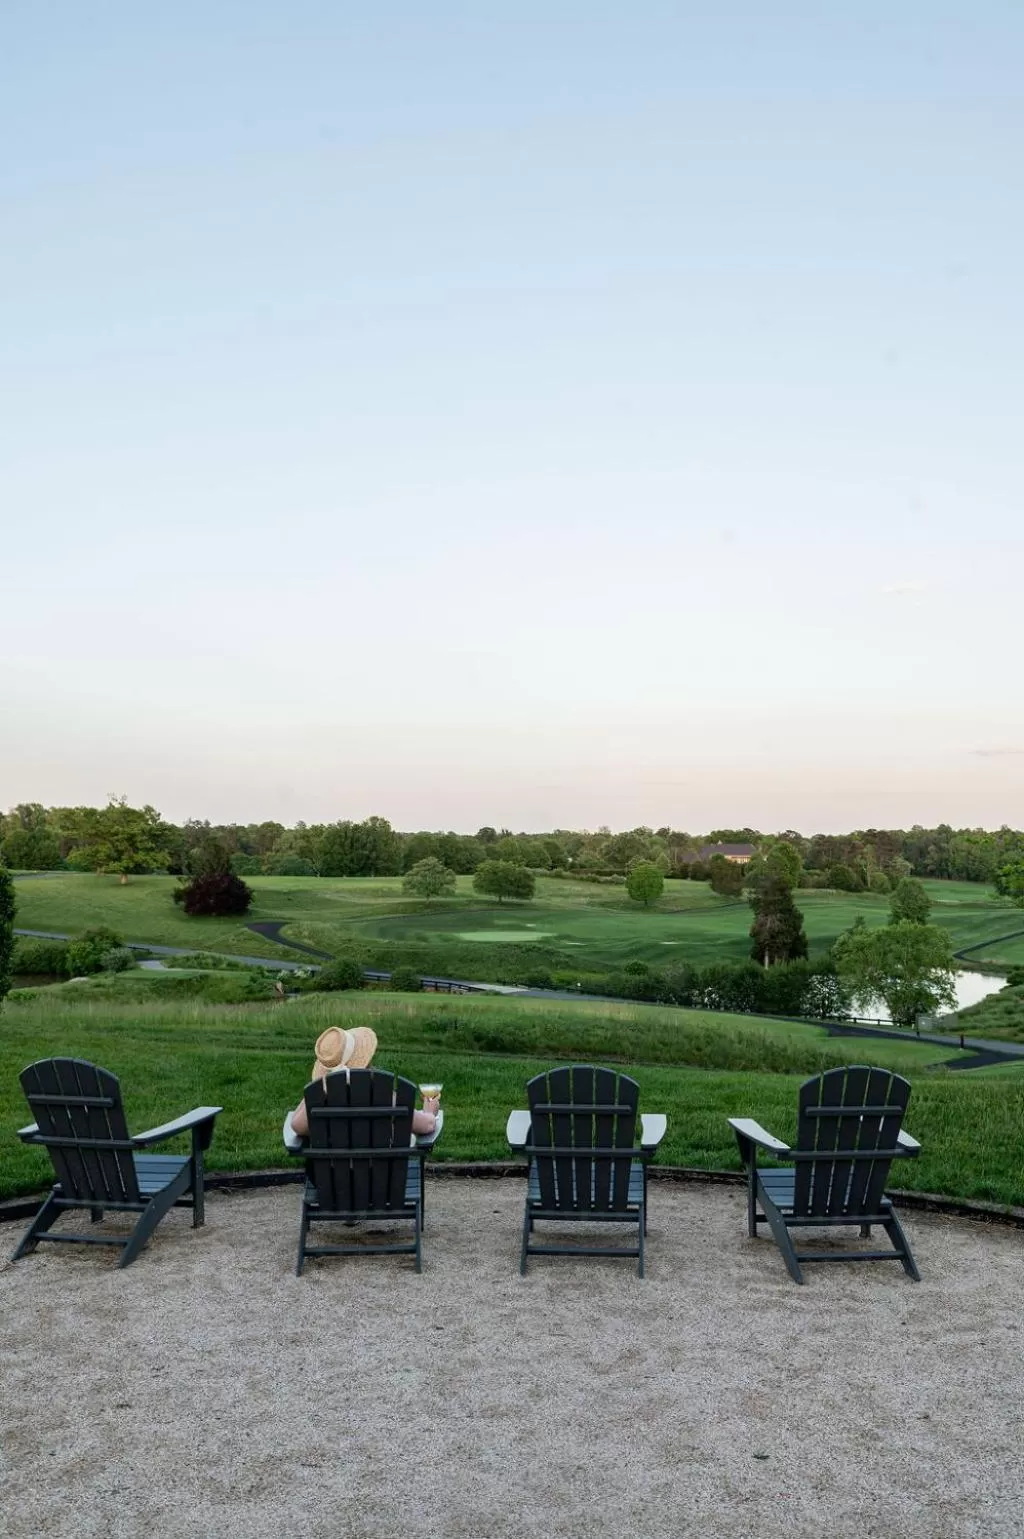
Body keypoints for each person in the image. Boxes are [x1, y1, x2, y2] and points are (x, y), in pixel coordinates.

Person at [282, 1025, 439, 1151]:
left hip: (331, 1183)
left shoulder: (319, 1100)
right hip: (383, 1181)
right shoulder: (382, 1093)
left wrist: (315, 1090)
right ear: (367, 1060)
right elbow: (427, 1126)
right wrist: (430, 1110)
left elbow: (296, 1126)